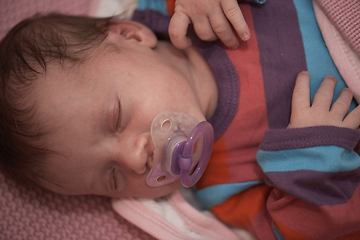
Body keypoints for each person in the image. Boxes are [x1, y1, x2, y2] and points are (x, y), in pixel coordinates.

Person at [0, 0, 359, 239]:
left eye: (116, 118)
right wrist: (313, 165)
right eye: (112, 178)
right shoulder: (219, 188)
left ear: (130, 35)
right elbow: (292, 231)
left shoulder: (187, 12)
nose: (134, 160)